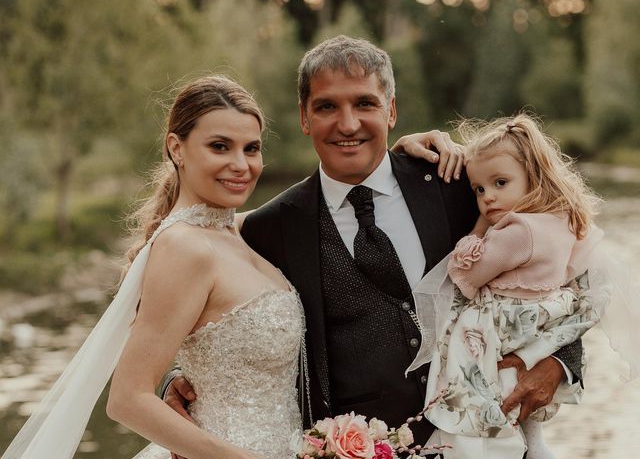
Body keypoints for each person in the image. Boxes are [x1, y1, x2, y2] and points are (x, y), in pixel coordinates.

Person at [164, 36, 583, 453]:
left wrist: (561, 363)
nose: (348, 124)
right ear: (304, 118)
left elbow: (564, 268)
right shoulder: (269, 228)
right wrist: (176, 382)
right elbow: (207, 312)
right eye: (327, 106)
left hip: (487, 439)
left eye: (365, 104)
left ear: (392, 111)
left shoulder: (455, 184)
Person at [2, 75, 305, 459]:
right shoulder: (184, 247)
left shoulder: (232, 231)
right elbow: (127, 400)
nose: (241, 164)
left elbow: (319, 199)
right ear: (177, 148)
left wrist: (395, 160)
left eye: (251, 148)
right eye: (219, 147)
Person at [407, 113, 613, 459]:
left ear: (533, 177)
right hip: (539, 325)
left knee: (491, 405)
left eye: (500, 183)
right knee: (526, 426)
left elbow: (465, 276)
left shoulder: (517, 230)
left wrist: (477, 229)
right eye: (480, 190)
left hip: (505, 328)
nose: (488, 198)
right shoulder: (562, 220)